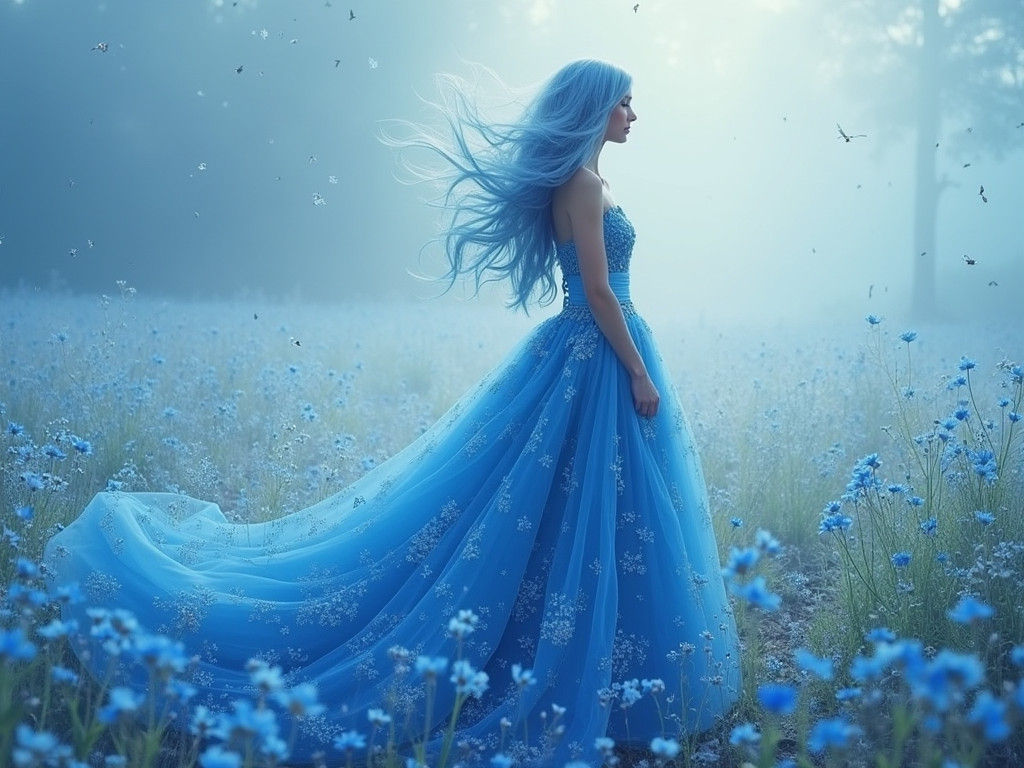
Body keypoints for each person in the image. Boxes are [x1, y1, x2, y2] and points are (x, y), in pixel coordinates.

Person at [44, 59, 741, 767]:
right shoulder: (585, 186)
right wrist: (639, 371)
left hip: (580, 356)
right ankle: (595, 675)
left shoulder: (581, 183)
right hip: (598, 353)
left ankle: (602, 667)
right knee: (569, 506)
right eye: (625, 104)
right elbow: (597, 290)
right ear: (595, 110)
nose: (633, 116)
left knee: (573, 506)